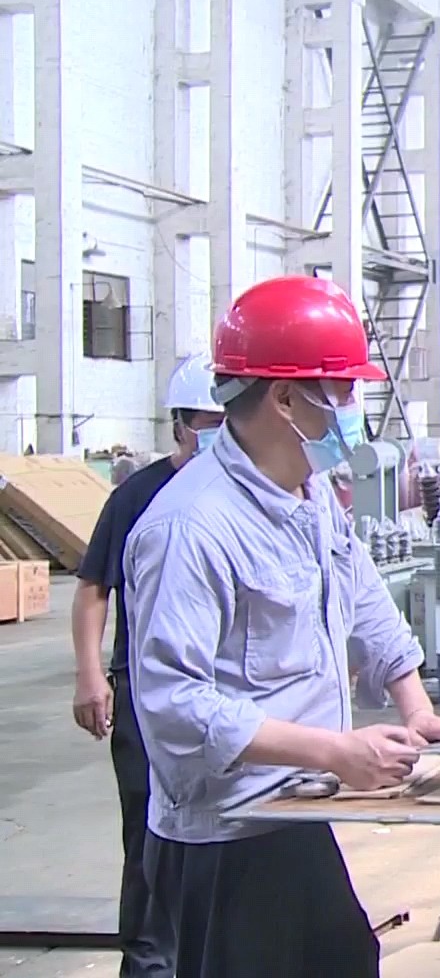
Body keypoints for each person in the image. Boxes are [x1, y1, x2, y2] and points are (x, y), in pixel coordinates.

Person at [123, 276, 440, 978]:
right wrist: (334, 751)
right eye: (340, 392)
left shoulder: (308, 496)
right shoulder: (192, 527)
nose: (352, 411)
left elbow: (363, 595)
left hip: (297, 809)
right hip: (226, 836)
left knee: (348, 960)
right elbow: (174, 706)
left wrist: (415, 706)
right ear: (284, 399)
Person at [72, 353, 226, 978]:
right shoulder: (138, 496)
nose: (218, 434)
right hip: (145, 692)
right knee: (148, 830)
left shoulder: (247, 496)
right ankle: (148, 961)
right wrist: (90, 675)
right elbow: (92, 588)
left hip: (225, 692)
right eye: (207, 423)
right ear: (179, 425)